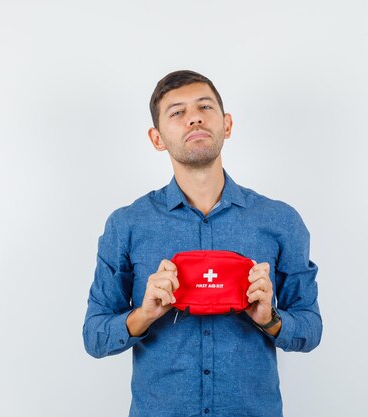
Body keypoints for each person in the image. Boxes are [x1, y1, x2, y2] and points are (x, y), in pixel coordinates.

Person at [82, 70, 322, 417]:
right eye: (177, 112)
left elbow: (310, 328)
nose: (193, 117)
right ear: (157, 138)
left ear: (226, 124)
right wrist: (144, 315)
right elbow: (95, 336)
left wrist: (270, 320)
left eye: (204, 106)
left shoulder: (280, 221)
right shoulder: (127, 225)